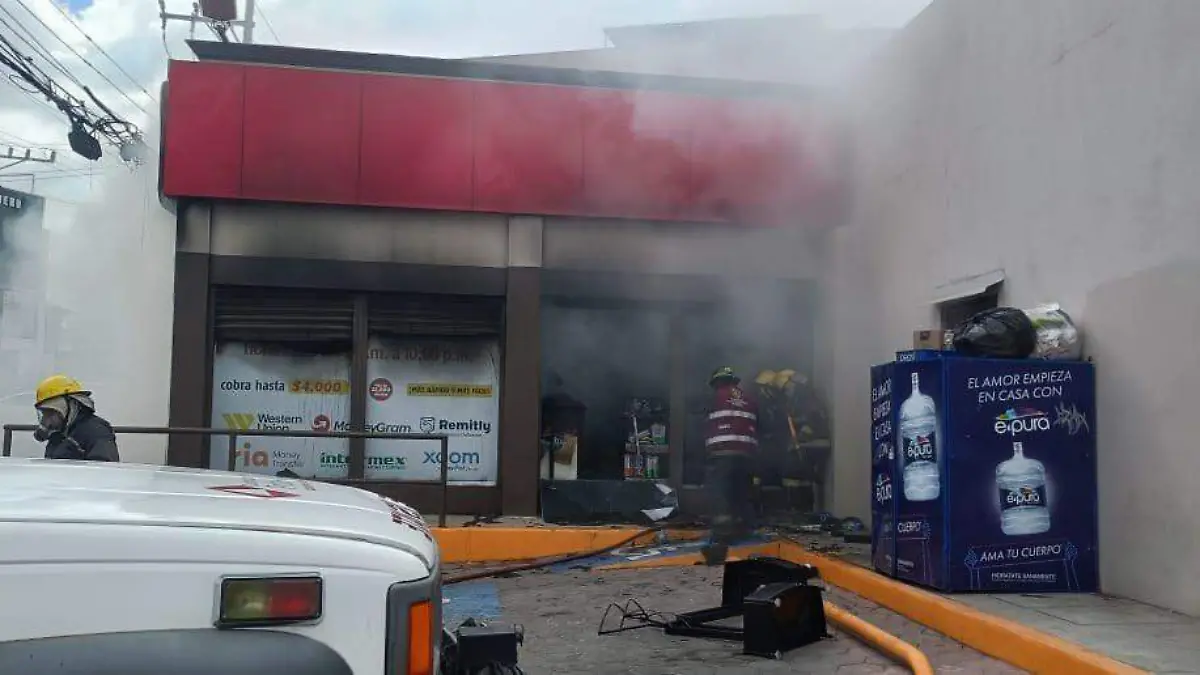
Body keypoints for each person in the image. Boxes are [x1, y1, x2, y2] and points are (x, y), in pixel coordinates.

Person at [700, 366, 759, 565]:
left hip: (722, 452)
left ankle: (722, 535)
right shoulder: (749, 398)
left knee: (720, 491)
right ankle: (743, 529)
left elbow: (702, 419)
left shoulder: (715, 397)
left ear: (718, 382)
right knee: (741, 490)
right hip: (746, 453)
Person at [33, 375, 120, 462]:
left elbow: (104, 470)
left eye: (51, 412)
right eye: (44, 413)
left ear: (71, 406)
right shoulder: (58, 435)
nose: (47, 420)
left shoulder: (96, 431)